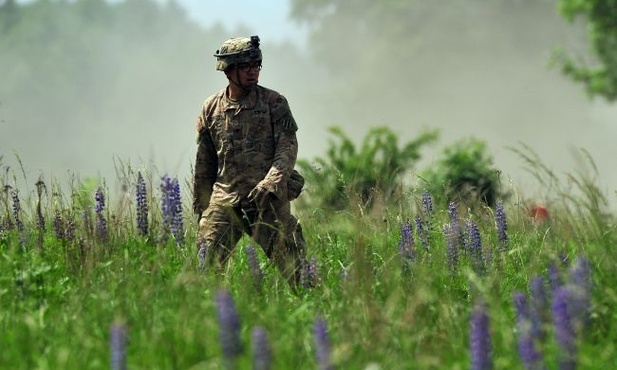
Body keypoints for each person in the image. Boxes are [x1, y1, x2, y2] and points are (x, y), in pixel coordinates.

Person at [192, 35, 307, 288]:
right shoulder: (211, 108)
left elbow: (287, 146)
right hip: (225, 201)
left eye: (256, 66)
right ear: (228, 70)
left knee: (299, 274)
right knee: (205, 274)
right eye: (245, 67)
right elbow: (205, 163)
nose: (253, 72)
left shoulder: (274, 103)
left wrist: (272, 182)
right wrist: (201, 208)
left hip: (266, 200)